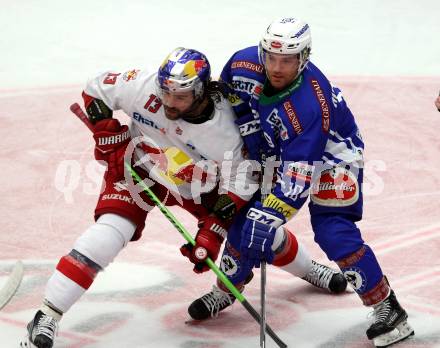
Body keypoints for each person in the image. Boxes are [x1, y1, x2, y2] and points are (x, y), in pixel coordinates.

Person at [20, 47, 344, 348]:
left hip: (199, 185)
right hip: (139, 171)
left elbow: (243, 181)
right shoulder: (143, 86)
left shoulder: (227, 130)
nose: (169, 103)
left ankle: (308, 269)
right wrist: (109, 135)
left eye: (181, 96)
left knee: (255, 234)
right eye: (166, 93)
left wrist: (213, 230)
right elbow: (95, 89)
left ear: (201, 92)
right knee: (107, 233)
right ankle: (47, 314)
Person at [191, 18, 415, 348]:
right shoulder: (241, 65)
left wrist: (269, 215)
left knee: (331, 229)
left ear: (303, 58)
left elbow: (296, 181)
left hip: (333, 155)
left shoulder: (310, 105)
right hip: (276, 147)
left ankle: (388, 309)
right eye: (271, 58)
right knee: (245, 214)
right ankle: (226, 288)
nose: (277, 68)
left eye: (287, 61)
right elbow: (235, 106)